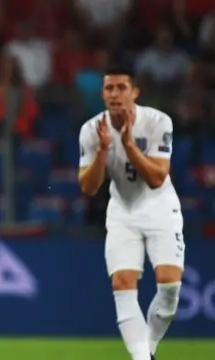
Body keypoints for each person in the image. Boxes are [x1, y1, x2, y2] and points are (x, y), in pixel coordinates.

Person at [78, 67, 184, 360]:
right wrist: (102, 151)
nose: (114, 94)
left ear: (135, 92)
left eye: (121, 87)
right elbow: (88, 187)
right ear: (102, 94)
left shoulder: (157, 122)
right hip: (122, 211)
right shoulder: (91, 129)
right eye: (109, 88)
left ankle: (146, 349)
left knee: (170, 289)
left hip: (161, 207)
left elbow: (157, 178)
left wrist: (127, 146)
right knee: (122, 283)